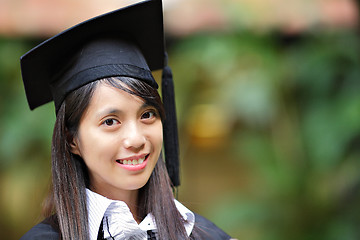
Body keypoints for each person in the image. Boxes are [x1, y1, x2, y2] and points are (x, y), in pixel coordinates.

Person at [19, 0, 233, 239]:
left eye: (147, 115)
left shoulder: (204, 235)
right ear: (72, 139)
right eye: (110, 121)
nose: (136, 138)